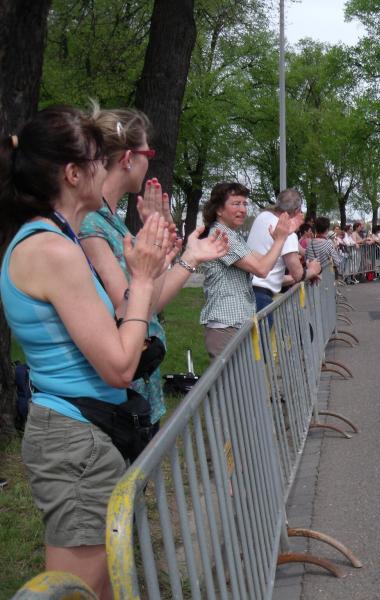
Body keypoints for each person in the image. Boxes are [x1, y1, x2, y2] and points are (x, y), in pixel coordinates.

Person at [0, 106, 173, 599]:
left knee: (105, 585)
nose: (109, 166)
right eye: (99, 159)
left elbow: (116, 327)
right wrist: (141, 280)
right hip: (74, 440)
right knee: (80, 591)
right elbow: (119, 365)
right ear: (73, 174)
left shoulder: (58, 240)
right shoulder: (52, 250)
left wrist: (149, 270)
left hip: (85, 432)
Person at [79, 106, 228, 431]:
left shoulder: (111, 221)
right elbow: (132, 308)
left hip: (141, 387)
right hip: (116, 399)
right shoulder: (90, 224)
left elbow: (151, 300)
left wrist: (188, 257)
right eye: (148, 153)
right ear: (128, 159)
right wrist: (160, 248)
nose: (150, 161)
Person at [199, 182, 301, 358]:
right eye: (236, 204)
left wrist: (281, 239)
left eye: (244, 204)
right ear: (219, 210)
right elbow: (262, 269)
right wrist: (280, 240)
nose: (243, 209)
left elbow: (263, 261)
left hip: (236, 324)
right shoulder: (221, 236)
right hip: (226, 326)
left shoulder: (232, 235)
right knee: (236, 377)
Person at [246, 187, 321, 311]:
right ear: (297, 210)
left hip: (247, 289)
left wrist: (301, 276)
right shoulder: (287, 232)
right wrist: (313, 270)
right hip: (261, 297)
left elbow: (273, 275)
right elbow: (297, 274)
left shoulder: (262, 217)